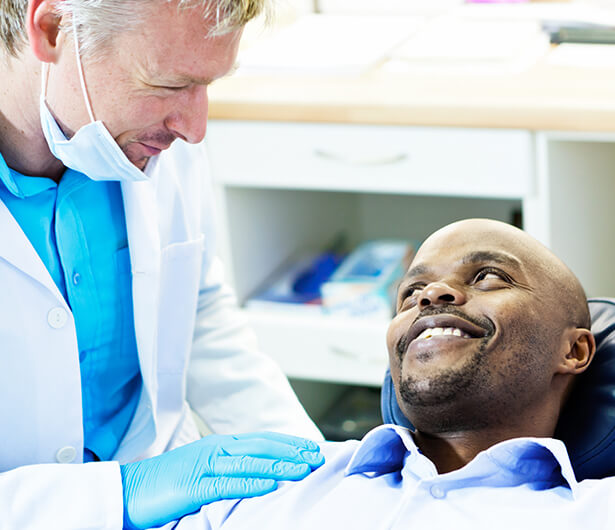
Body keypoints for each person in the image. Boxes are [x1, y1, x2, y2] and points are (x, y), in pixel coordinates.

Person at [0, 1, 324, 528]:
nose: (194, 128)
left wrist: (310, 467)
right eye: (170, 85)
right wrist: (117, 497)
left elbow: (196, 308)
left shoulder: (144, 139)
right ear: (53, 28)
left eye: (206, 85)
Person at [169, 218, 615, 529]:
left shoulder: (596, 513)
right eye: (412, 292)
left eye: (488, 277)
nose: (432, 295)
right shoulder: (270, 487)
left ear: (574, 350)